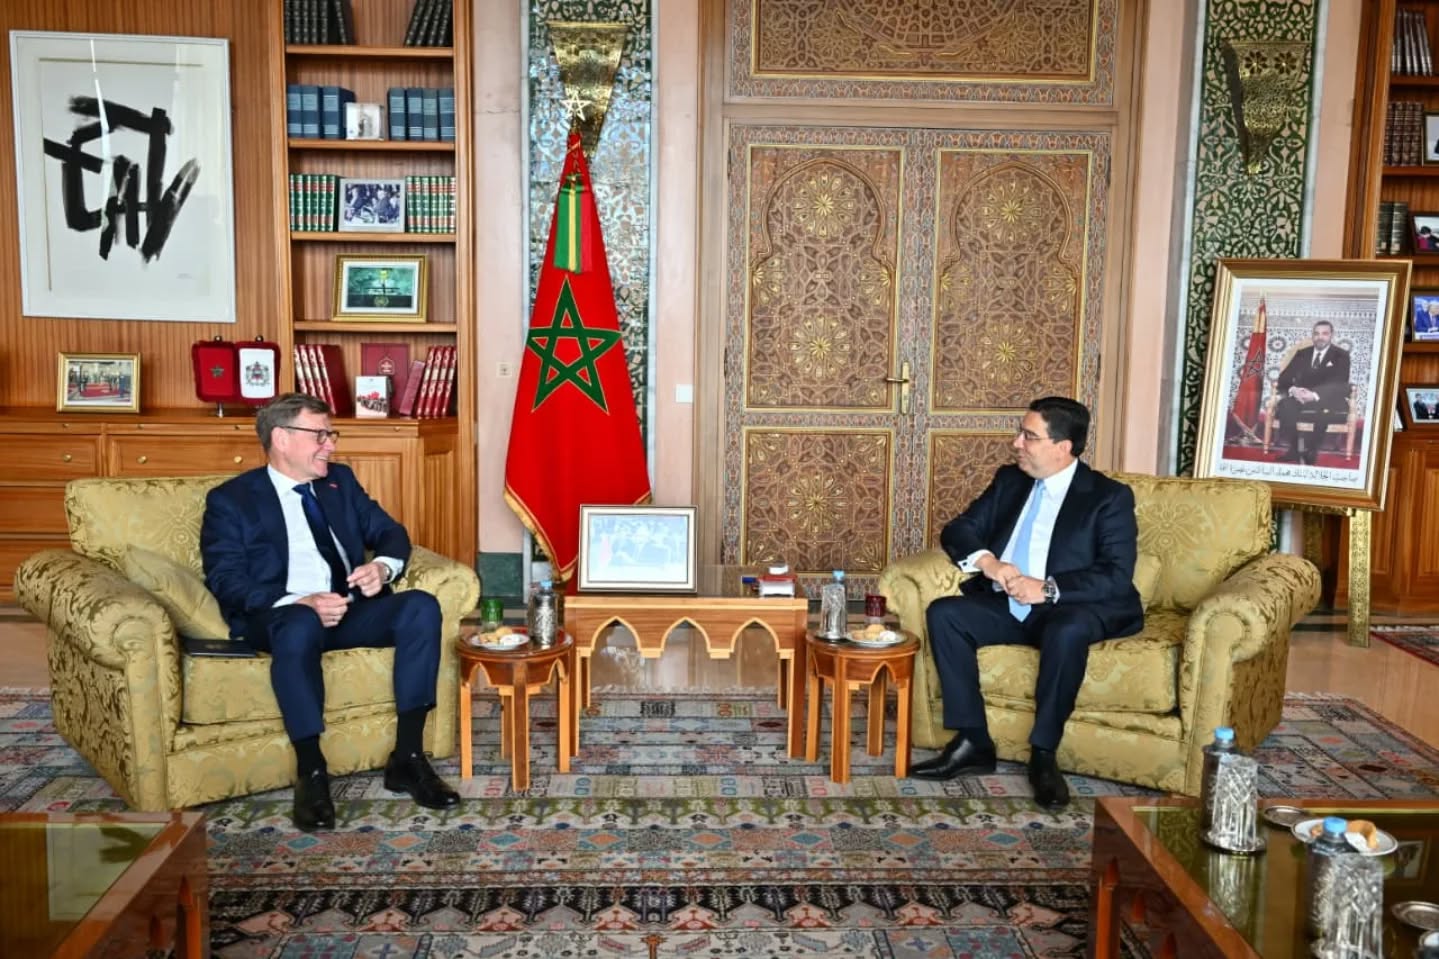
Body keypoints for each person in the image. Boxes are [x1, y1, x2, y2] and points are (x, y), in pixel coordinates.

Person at [201, 393, 459, 831]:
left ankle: (408, 758)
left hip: (348, 610)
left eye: (331, 434)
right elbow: (226, 580)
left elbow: (390, 532)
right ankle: (312, 772)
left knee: (420, 606)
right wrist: (298, 601)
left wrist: (382, 566)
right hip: (284, 619)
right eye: (320, 435)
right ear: (281, 438)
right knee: (301, 623)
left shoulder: (340, 482)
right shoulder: (233, 500)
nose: (330, 445)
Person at [910, 397, 1143, 809]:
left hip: (1070, 607)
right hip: (1009, 604)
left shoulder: (1107, 496)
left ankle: (1043, 755)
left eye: (1029, 436)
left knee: (1066, 629)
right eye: (1020, 432)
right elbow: (960, 529)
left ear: (1063, 447)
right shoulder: (1010, 480)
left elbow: (1115, 574)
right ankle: (973, 741)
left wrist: (1048, 588)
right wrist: (990, 563)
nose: (1017, 443)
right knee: (945, 614)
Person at [1271, 320, 1352, 466]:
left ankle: (1311, 450)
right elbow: (1284, 378)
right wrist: (1294, 390)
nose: (1320, 337)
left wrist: (1313, 395)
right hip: (1300, 397)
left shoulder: (1341, 355)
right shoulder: (1302, 353)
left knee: (1324, 410)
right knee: (1285, 406)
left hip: (1328, 398)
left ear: (1331, 335)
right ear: (1312, 336)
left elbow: (1340, 382)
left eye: (1324, 333)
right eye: (1316, 333)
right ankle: (1294, 449)